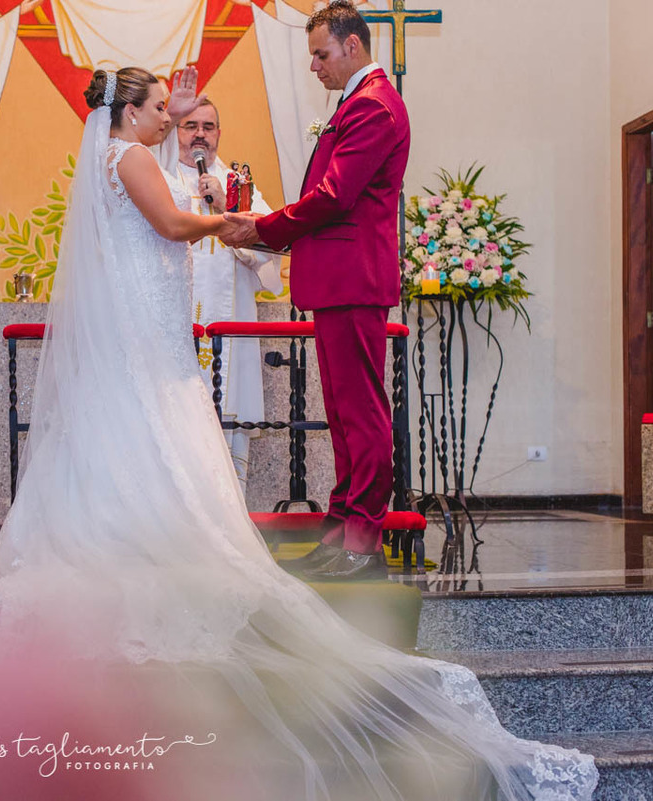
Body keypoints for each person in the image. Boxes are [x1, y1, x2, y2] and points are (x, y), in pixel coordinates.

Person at [0, 65, 596, 800]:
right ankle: (155, 539)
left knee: (156, 436)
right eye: (167, 111)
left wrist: (245, 223)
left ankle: (146, 533)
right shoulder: (134, 158)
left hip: (165, 323)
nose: (178, 123)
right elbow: (170, 225)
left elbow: (259, 263)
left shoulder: (169, 162)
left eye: (192, 117)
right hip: (147, 326)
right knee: (157, 433)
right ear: (130, 111)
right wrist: (227, 222)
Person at [222, 0, 407, 581]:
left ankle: (363, 541)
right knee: (344, 415)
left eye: (320, 54)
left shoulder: (374, 106)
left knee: (362, 414)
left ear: (352, 45)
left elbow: (333, 196)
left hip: (353, 278)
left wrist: (263, 227)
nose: (313, 67)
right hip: (336, 279)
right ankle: (341, 530)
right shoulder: (355, 102)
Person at [158, 94, 281, 489]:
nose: (200, 135)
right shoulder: (159, 181)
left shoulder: (239, 186)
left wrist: (227, 204)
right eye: (191, 125)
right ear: (176, 130)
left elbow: (270, 247)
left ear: (219, 134)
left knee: (226, 431)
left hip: (231, 326)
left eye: (208, 127)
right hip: (173, 326)